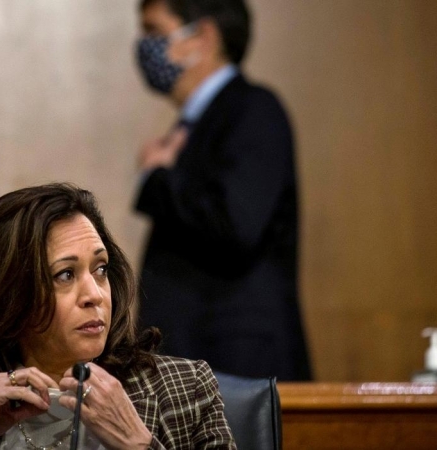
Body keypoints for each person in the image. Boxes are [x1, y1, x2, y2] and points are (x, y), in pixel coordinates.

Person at [0, 183, 236, 449]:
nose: (94, 294)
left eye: (101, 269)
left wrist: (138, 446)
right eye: (65, 275)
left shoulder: (182, 390)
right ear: (7, 296)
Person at [132, 0, 312, 380]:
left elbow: (234, 224)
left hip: (235, 364)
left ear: (204, 36)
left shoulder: (254, 110)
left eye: (154, 32)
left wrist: (157, 179)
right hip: (202, 363)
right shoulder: (197, 123)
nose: (143, 45)